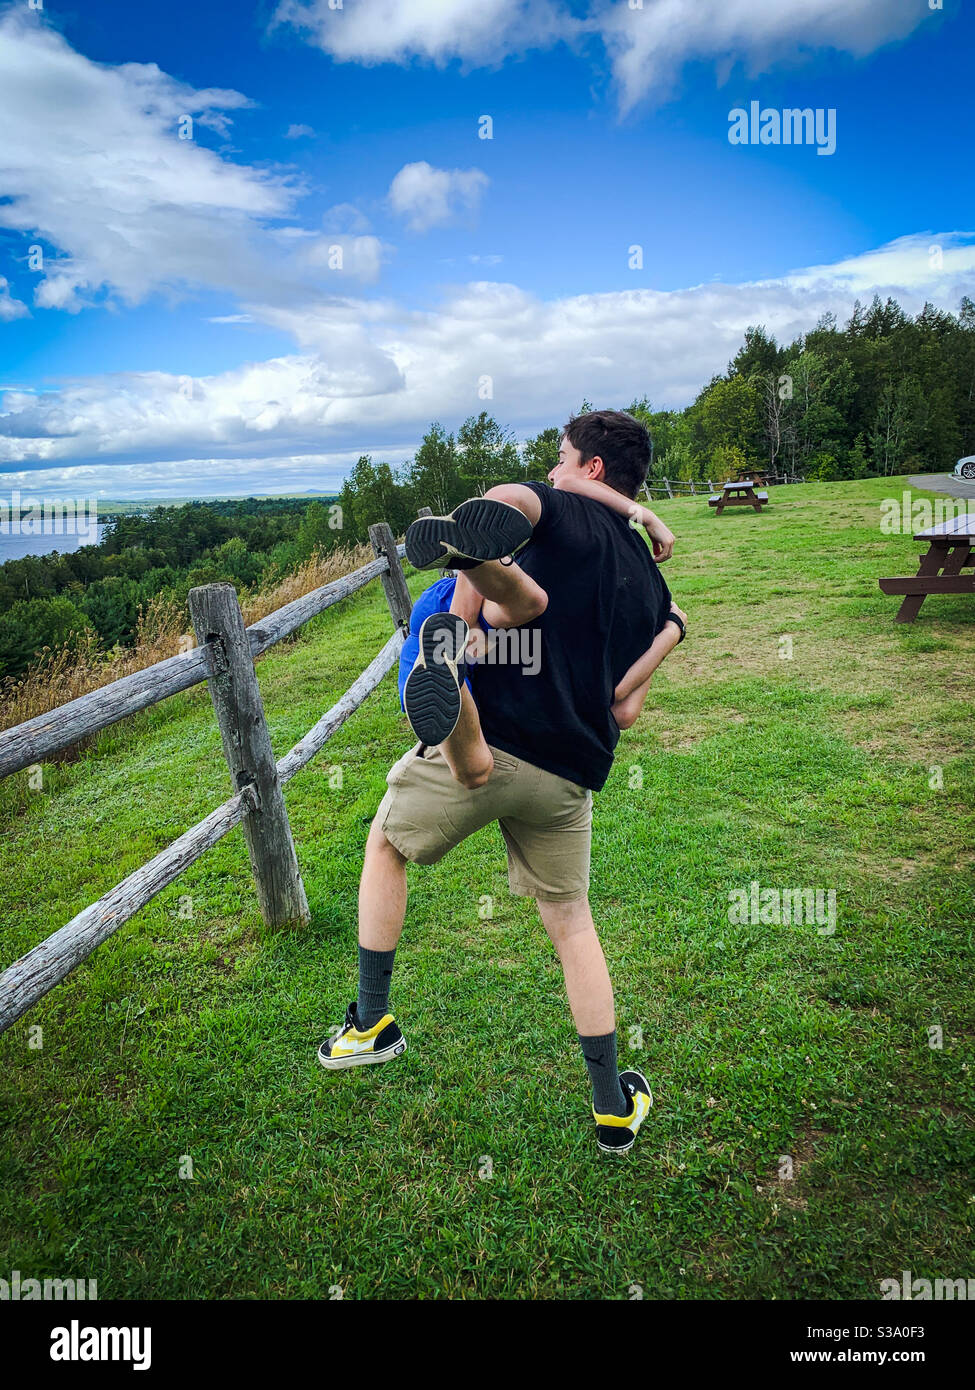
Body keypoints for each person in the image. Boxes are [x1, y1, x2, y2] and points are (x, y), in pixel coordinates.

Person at [318, 410, 686, 1154]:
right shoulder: (648, 584)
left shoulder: (560, 510)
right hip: (569, 770)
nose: (551, 468)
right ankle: (612, 1103)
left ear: (589, 470)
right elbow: (627, 707)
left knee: (386, 847)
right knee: (572, 922)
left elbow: (504, 501)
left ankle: (371, 1024)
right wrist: (675, 627)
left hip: (502, 728)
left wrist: (489, 525)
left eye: (559, 457)